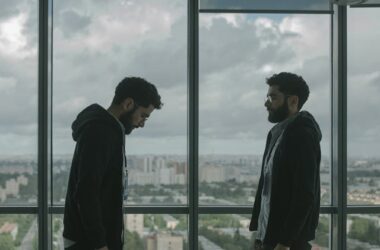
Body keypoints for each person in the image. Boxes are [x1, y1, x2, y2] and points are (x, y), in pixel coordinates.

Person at [63, 77, 162, 250]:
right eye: (143, 116)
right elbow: (87, 191)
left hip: (92, 240)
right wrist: (100, 244)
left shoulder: (109, 130)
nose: (142, 124)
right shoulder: (100, 132)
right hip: (88, 243)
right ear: (128, 104)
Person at [249, 72, 321, 250]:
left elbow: (304, 195)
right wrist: (258, 233)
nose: (266, 103)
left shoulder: (302, 135)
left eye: (273, 97)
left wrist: (284, 243)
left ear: (293, 101)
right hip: (269, 238)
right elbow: (268, 192)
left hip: (286, 243)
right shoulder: (277, 134)